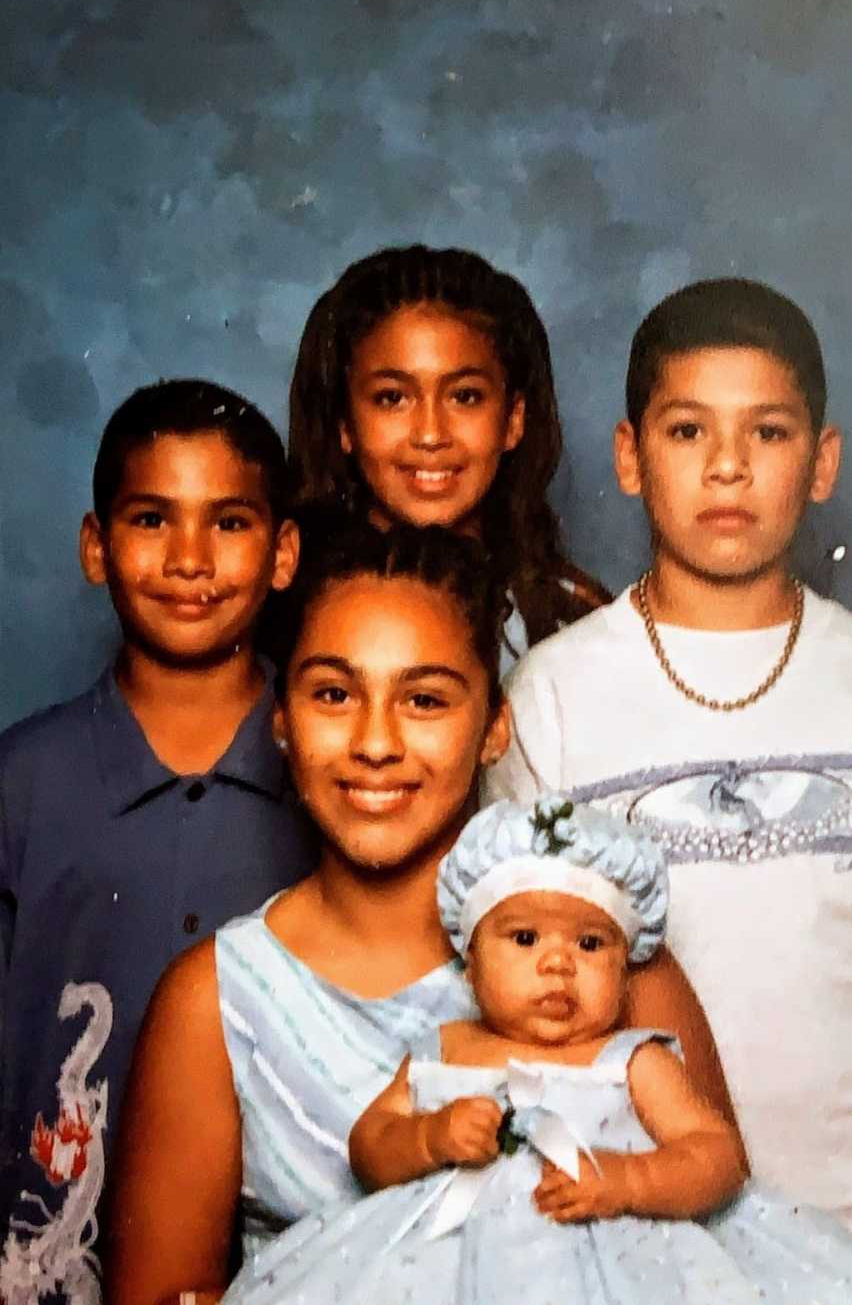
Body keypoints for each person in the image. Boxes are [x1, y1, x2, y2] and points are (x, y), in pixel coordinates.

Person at [104, 524, 734, 1305]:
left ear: (494, 729)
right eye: (334, 693)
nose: (375, 742)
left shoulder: (605, 963)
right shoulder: (217, 997)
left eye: (425, 698)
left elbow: (724, 1248)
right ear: (280, 719)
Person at [487, 278, 852, 1266]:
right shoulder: (556, 695)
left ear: (823, 461)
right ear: (630, 458)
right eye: (686, 432)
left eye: (767, 433)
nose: (727, 467)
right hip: (645, 1242)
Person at [223, 796, 852, 1305]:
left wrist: (627, 1179)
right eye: (523, 939)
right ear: (469, 960)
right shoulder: (447, 1049)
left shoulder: (632, 1060)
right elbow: (370, 1142)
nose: (557, 965)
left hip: (624, 1267)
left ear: (627, 962)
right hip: (438, 1269)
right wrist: (428, 1135)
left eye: (589, 944)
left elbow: (717, 1155)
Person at [0, 380, 315, 1305]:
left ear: (285, 551)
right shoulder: (22, 780)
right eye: (150, 519)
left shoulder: (341, 782)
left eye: (228, 523)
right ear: (96, 548)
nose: (189, 559)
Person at [288, 243, 610, 669]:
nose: (430, 434)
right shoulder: (286, 609)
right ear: (344, 423)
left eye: (465, 396)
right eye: (391, 398)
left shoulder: (571, 623)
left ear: (513, 419)